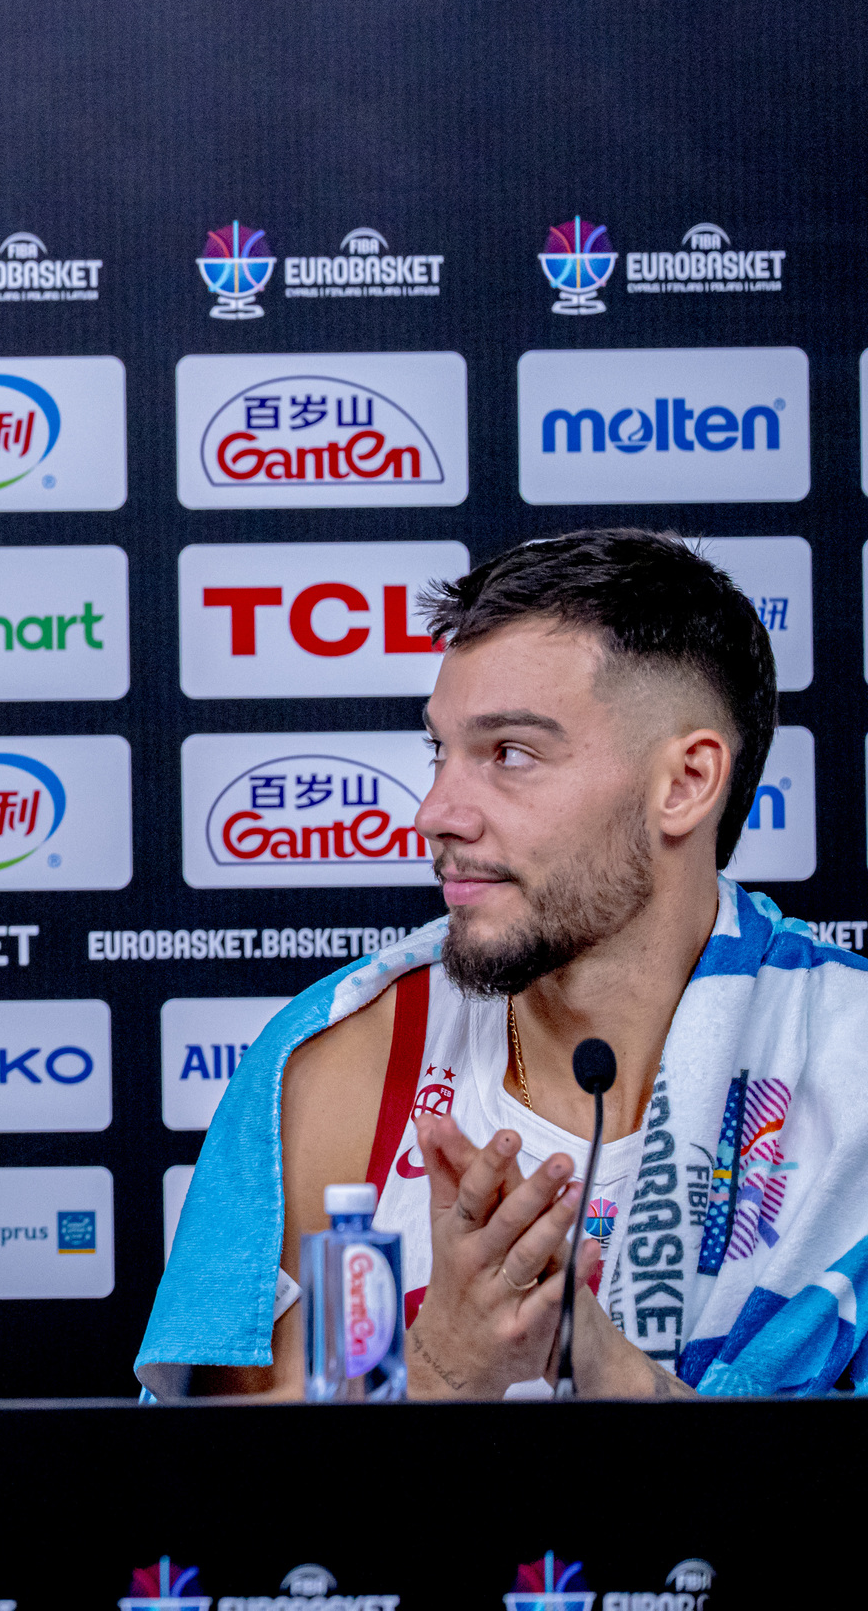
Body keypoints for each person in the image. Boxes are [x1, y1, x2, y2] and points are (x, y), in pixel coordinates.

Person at [142, 529, 868, 1400]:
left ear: (684, 784)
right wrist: (442, 1370)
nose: (435, 813)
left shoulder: (853, 1064)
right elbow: (213, 1479)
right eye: (439, 752)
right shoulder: (334, 1064)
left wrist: (604, 1365)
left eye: (510, 754)